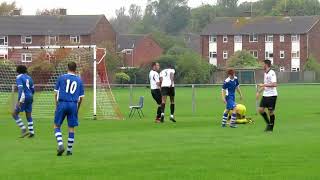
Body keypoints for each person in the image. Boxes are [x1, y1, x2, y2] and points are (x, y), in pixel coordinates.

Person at [53, 62, 84, 156]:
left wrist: (56, 106)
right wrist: (77, 109)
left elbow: (55, 93)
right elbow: (81, 97)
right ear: (76, 69)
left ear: (68, 68)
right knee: (71, 128)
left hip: (62, 103)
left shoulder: (61, 78)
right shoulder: (79, 80)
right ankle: (69, 150)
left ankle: (60, 144)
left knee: (56, 126)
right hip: (73, 104)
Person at [12, 65, 35, 138]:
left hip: (23, 97)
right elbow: (33, 89)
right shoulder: (29, 77)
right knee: (28, 115)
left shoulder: (19, 77)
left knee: (14, 114)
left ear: (18, 71)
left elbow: (20, 89)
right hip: (30, 96)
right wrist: (30, 96)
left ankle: (23, 128)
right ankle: (31, 132)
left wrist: (19, 100)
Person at [256, 60, 278, 132]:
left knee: (270, 112)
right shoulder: (265, 73)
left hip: (272, 95)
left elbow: (274, 84)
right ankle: (268, 124)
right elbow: (266, 85)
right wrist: (259, 92)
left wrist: (263, 85)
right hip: (265, 95)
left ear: (266, 65)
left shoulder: (272, 73)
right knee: (260, 110)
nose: (262, 65)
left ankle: (271, 128)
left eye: (263, 64)